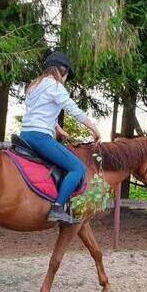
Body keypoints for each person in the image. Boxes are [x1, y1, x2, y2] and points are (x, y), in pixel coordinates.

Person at [20, 51, 101, 224]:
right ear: (62, 70)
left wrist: (57, 128)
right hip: (40, 138)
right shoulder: (55, 86)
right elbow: (73, 110)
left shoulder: (34, 86)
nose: (65, 79)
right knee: (78, 168)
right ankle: (57, 208)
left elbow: (38, 111)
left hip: (25, 135)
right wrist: (94, 129)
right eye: (66, 75)